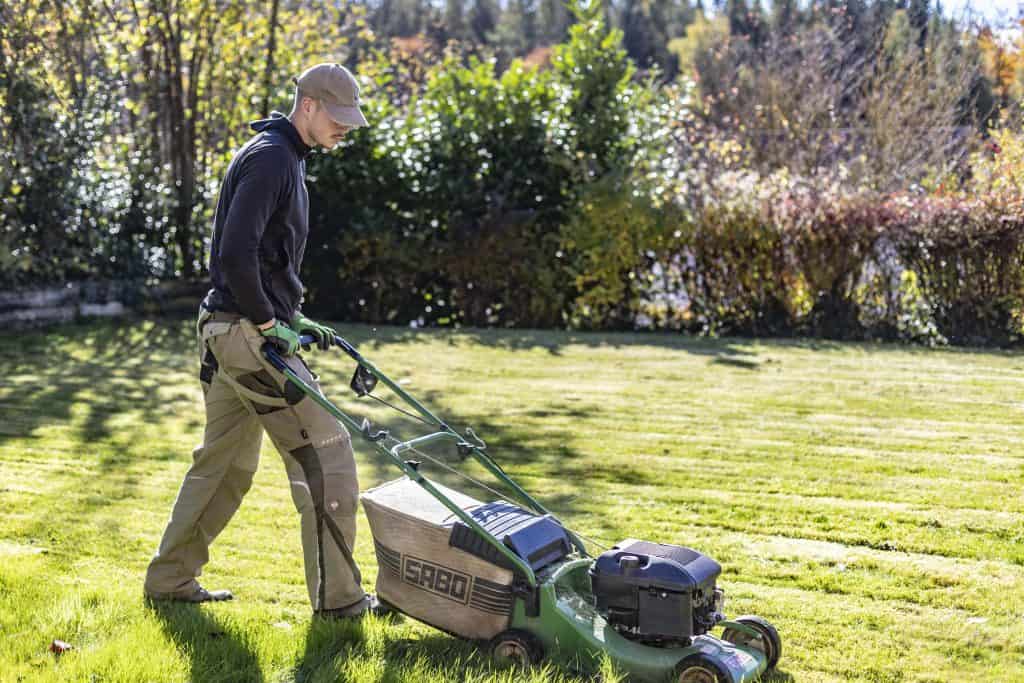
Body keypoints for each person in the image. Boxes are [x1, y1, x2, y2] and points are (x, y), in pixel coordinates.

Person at [144, 63, 383, 619]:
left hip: (232, 329)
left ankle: (169, 580)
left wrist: (293, 317)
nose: (344, 129)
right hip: (246, 335)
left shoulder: (282, 156)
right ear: (308, 105)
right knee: (328, 456)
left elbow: (262, 259)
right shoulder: (273, 157)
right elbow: (234, 253)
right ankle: (341, 603)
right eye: (338, 118)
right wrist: (271, 324)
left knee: (225, 466)